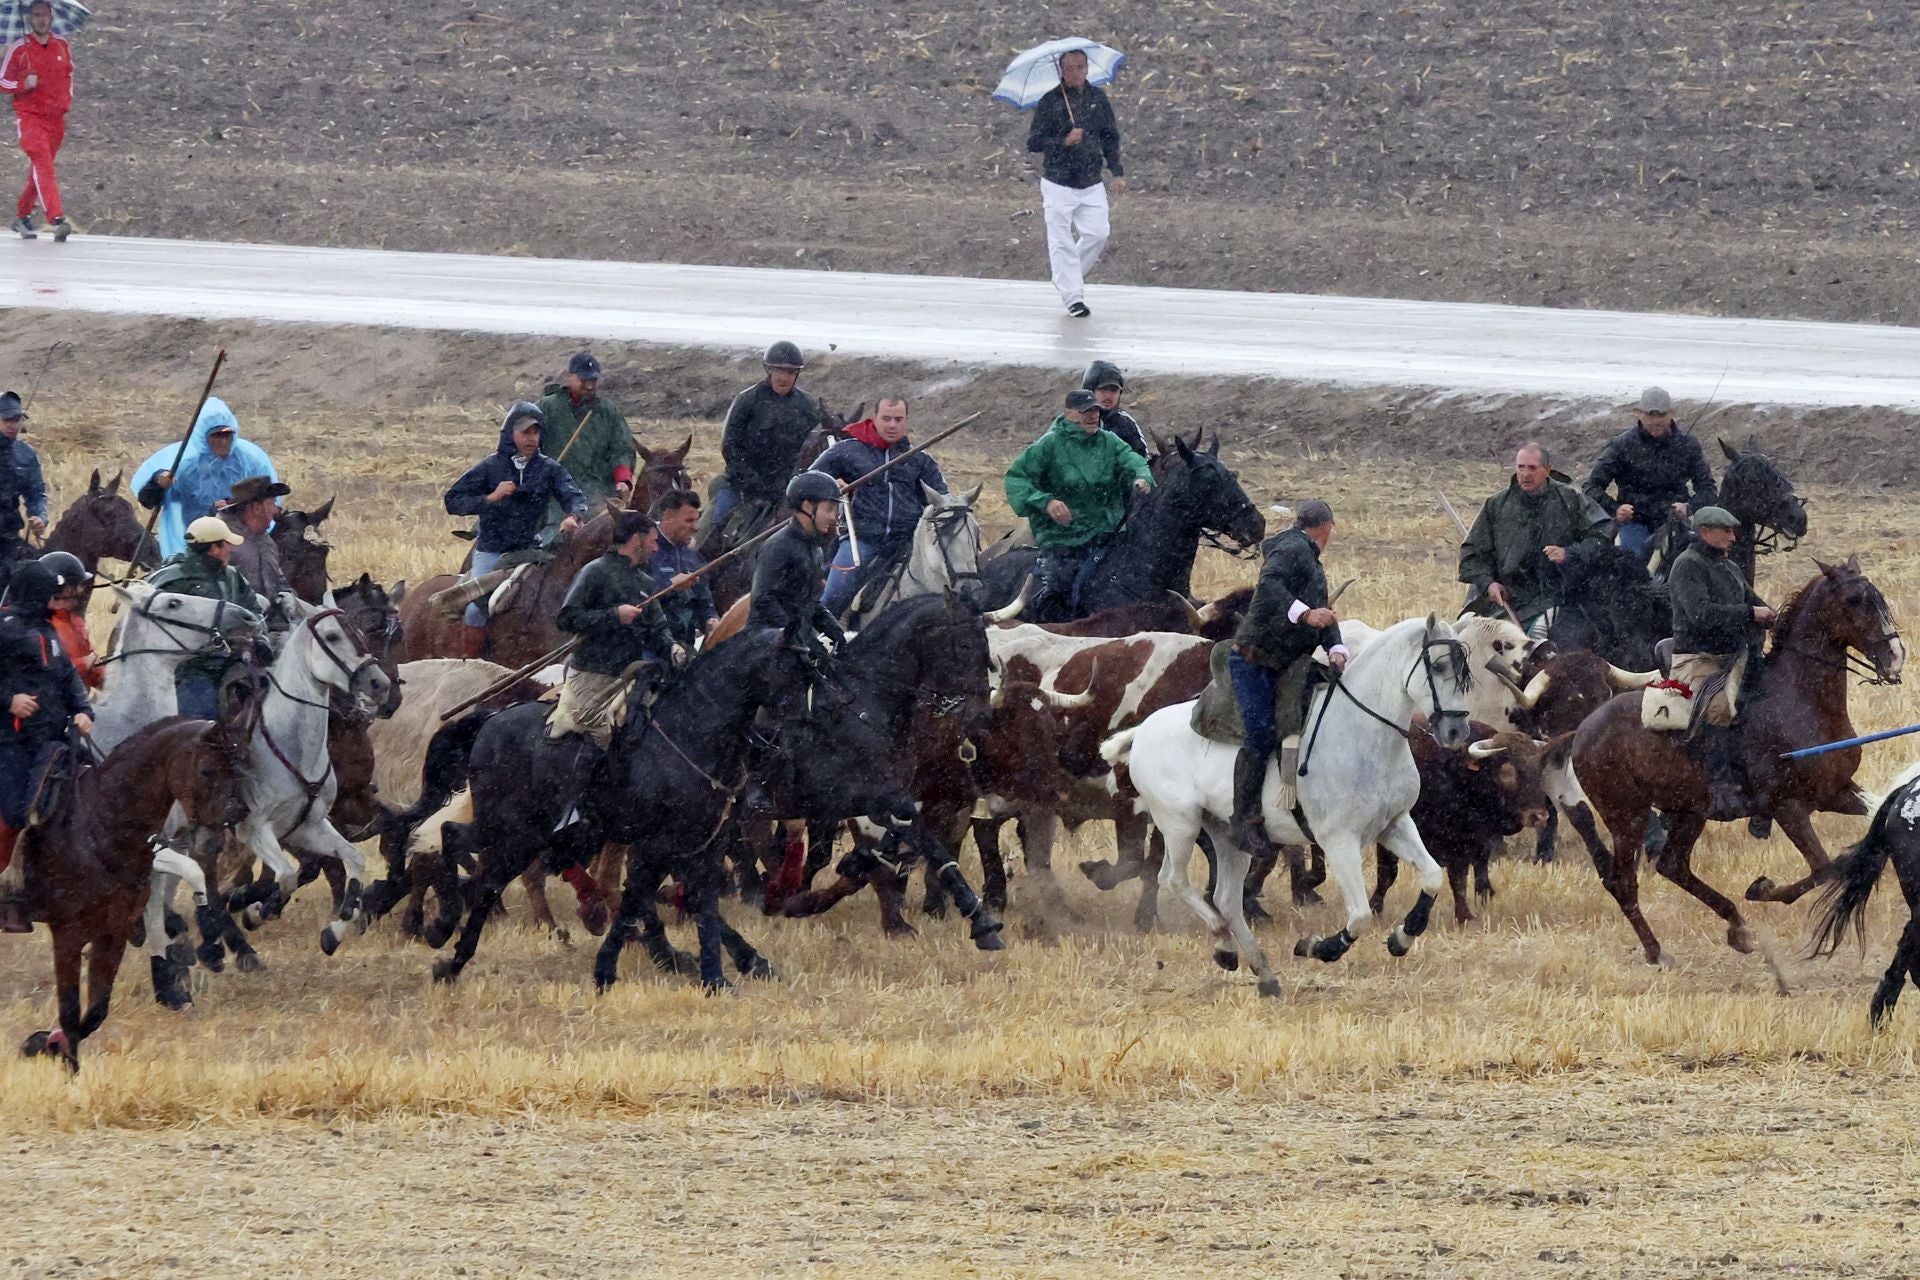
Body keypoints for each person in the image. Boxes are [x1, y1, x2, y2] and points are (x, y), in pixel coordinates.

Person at [1227, 501, 1349, 858]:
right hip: (1254, 661)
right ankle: (1242, 820)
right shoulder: (1294, 547)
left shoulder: (1308, 558)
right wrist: (1306, 614)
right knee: (1262, 732)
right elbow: (1269, 585)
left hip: (1284, 663)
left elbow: (1322, 612)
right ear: (1327, 526)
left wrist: (1337, 646)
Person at [443, 402, 587, 658]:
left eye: (536, 432)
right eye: (525, 433)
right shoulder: (489, 467)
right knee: (476, 610)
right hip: (492, 552)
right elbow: (452, 500)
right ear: (510, 433)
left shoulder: (549, 468)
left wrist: (573, 516)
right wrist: (490, 498)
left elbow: (574, 496)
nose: (532, 439)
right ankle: (471, 664)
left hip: (531, 549)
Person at [0, 558, 94, 932]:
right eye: (50, 593)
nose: (58, 598)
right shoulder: (4, 630)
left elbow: (69, 677)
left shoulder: (50, 632)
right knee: (18, 812)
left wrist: (84, 709)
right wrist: (8, 701)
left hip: (54, 739)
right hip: (11, 741)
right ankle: (9, 890)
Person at [1003, 389, 1154, 622]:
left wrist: (1142, 476)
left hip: (1105, 530)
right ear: (1068, 413)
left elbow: (1134, 460)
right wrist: (1046, 502)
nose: (1093, 416)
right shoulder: (1049, 445)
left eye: (1095, 410)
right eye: (1086, 411)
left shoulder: (1109, 441)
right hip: (1063, 535)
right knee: (1059, 587)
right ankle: (1051, 626)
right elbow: (1017, 479)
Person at [1666, 506, 1775, 819]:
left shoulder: (1729, 566)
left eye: (1732, 531)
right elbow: (1701, 615)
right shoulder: (1687, 566)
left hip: (1734, 657)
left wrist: (1773, 615)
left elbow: (1752, 600)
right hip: (1697, 659)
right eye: (1725, 531)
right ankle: (1719, 785)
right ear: (1704, 532)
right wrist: (1749, 614)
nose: (1732, 536)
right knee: (1721, 707)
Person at [550, 511, 685, 750]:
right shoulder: (594, 572)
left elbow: (657, 628)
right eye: (653, 541)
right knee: (601, 736)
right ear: (636, 540)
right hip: (591, 675)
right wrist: (614, 615)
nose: (656, 549)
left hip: (630, 674)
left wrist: (672, 646)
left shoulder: (645, 582)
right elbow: (566, 618)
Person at [1458, 442, 1613, 637]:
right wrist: (1488, 583)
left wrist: (1570, 553)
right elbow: (1473, 554)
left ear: (1547, 470)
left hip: (1560, 595)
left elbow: (1602, 536)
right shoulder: (1497, 505)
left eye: (1532, 468)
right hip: (1505, 598)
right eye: (1520, 467)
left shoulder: (1571, 499)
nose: (1525, 474)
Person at [810, 395, 946, 616]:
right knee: (834, 595)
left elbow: (942, 497)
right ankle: (814, 641)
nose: (892, 425)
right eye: (886, 418)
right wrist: (831, 483)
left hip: (909, 543)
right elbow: (807, 480)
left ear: (906, 421)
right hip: (862, 541)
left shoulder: (919, 459)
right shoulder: (847, 450)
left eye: (898, 419)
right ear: (875, 418)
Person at [1025, 48, 1125, 317]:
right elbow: (1033, 142)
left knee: (1098, 233)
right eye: (1070, 68)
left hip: (1091, 180)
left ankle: (1068, 276)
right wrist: (1062, 142)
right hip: (1058, 181)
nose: (1076, 72)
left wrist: (1117, 171)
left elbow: (1109, 137)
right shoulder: (1049, 101)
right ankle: (1073, 298)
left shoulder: (1098, 99)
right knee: (1060, 240)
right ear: (1061, 71)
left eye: (1080, 67)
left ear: (1087, 69)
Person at [144, 516, 268, 720]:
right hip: (190, 669)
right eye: (226, 544)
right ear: (214, 548)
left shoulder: (233, 577)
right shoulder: (173, 581)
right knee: (202, 722)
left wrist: (260, 638)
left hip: (235, 661)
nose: (230, 549)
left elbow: (254, 612)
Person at [132, 398, 278, 560]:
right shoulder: (187, 469)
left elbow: (268, 501)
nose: (223, 441)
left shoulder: (250, 461)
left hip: (245, 545)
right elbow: (149, 501)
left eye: (227, 435)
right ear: (203, 436)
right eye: (216, 436)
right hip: (199, 549)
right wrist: (158, 483)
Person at [1582, 386, 1718, 559]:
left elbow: (1708, 489)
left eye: (1661, 416)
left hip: (1676, 524)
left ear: (1671, 413)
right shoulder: (1622, 445)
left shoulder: (1688, 445)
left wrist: (1688, 507)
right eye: (1650, 416)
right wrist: (1616, 510)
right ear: (1639, 413)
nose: (1656, 421)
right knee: (1635, 568)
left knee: (1688, 565)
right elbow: (1591, 487)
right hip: (1635, 523)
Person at [711, 342, 824, 537]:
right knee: (713, 528)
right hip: (742, 487)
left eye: (790, 372)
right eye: (779, 371)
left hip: (788, 489)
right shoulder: (746, 400)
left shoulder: (808, 406)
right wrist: (754, 483)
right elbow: (730, 446)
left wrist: (789, 484)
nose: (784, 378)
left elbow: (812, 450)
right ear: (768, 370)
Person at [1, 0, 76, 242]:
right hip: (30, 118)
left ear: (52, 17)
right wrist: (24, 85)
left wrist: (67, 101)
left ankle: (22, 217)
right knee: (44, 165)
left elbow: (69, 74)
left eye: (45, 15)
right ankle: (57, 220)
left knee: (39, 170)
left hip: (56, 120)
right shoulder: (19, 48)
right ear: (30, 18)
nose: (41, 19)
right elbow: (3, 82)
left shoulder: (62, 45)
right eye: (36, 15)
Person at [746, 470, 845, 649]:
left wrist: (835, 630)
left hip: (796, 641)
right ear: (807, 506)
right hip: (768, 643)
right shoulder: (777, 546)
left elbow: (811, 602)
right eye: (829, 509)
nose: (833, 517)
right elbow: (763, 598)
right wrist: (799, 637)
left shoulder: (816, 549)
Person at [538, 351, 636, 517]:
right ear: (569, 377)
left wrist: (623, 480)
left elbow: (622, 449)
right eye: (584, 380)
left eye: (593, 380)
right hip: (556, 495)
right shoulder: (548, 407)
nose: (590, 386)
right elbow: (526, 444)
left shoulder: (608, 411)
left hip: (598, 493)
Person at [648, 490, 718, 649]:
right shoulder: (643, 551)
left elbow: (704, 599)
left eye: (697, 520)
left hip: (685, 646)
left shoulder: (693, 557)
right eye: (689, 520)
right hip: (648, 647)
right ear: (667, 516)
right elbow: (633, 595)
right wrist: (670, 586)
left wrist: (710, 619)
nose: (696, 528)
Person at [219, 474, 294, 607]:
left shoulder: (266, 541)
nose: (276, 510)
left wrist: (290, 598)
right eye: (272, 504)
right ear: (257, 508)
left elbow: (278, 578)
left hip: (270, 620)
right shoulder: (220, 538)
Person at [0, 389, 49, 590]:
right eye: (7, 420)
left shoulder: (26, 455)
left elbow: (36, 493)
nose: (13, 425)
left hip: (9, 537)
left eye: (17, 419)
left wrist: (39, 517)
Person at [39, 550, 100, 691]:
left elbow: (92, 669)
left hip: (77, 706)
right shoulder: (36, 626)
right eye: (76, 584)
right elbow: (44, 675)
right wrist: (83, 664)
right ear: (58, 588)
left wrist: (110, 679)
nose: (81, 589)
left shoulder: (75, 622)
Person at [1081, 360, 1148, 457]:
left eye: (1113, 390)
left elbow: (1142, 462)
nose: (1108, 396)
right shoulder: (1072, 421)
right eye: (1103, 390)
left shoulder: (1125, 424)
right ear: (1090, 390)